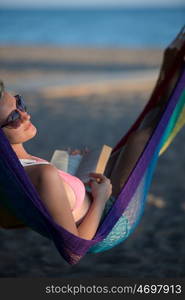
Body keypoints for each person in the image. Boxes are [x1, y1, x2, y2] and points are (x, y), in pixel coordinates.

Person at [0, 80, 167, 240]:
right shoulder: (42, 173)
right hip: (109, 218)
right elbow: (75, 249)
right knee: (142, 138)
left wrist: (66, 179)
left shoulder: (8, 169)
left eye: (19, 102)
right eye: (14, 117)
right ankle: (174, 81)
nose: (26, 116)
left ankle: (171, 81)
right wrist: (101, 197)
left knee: (128, 146)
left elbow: (8, 222)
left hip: (91, 193)